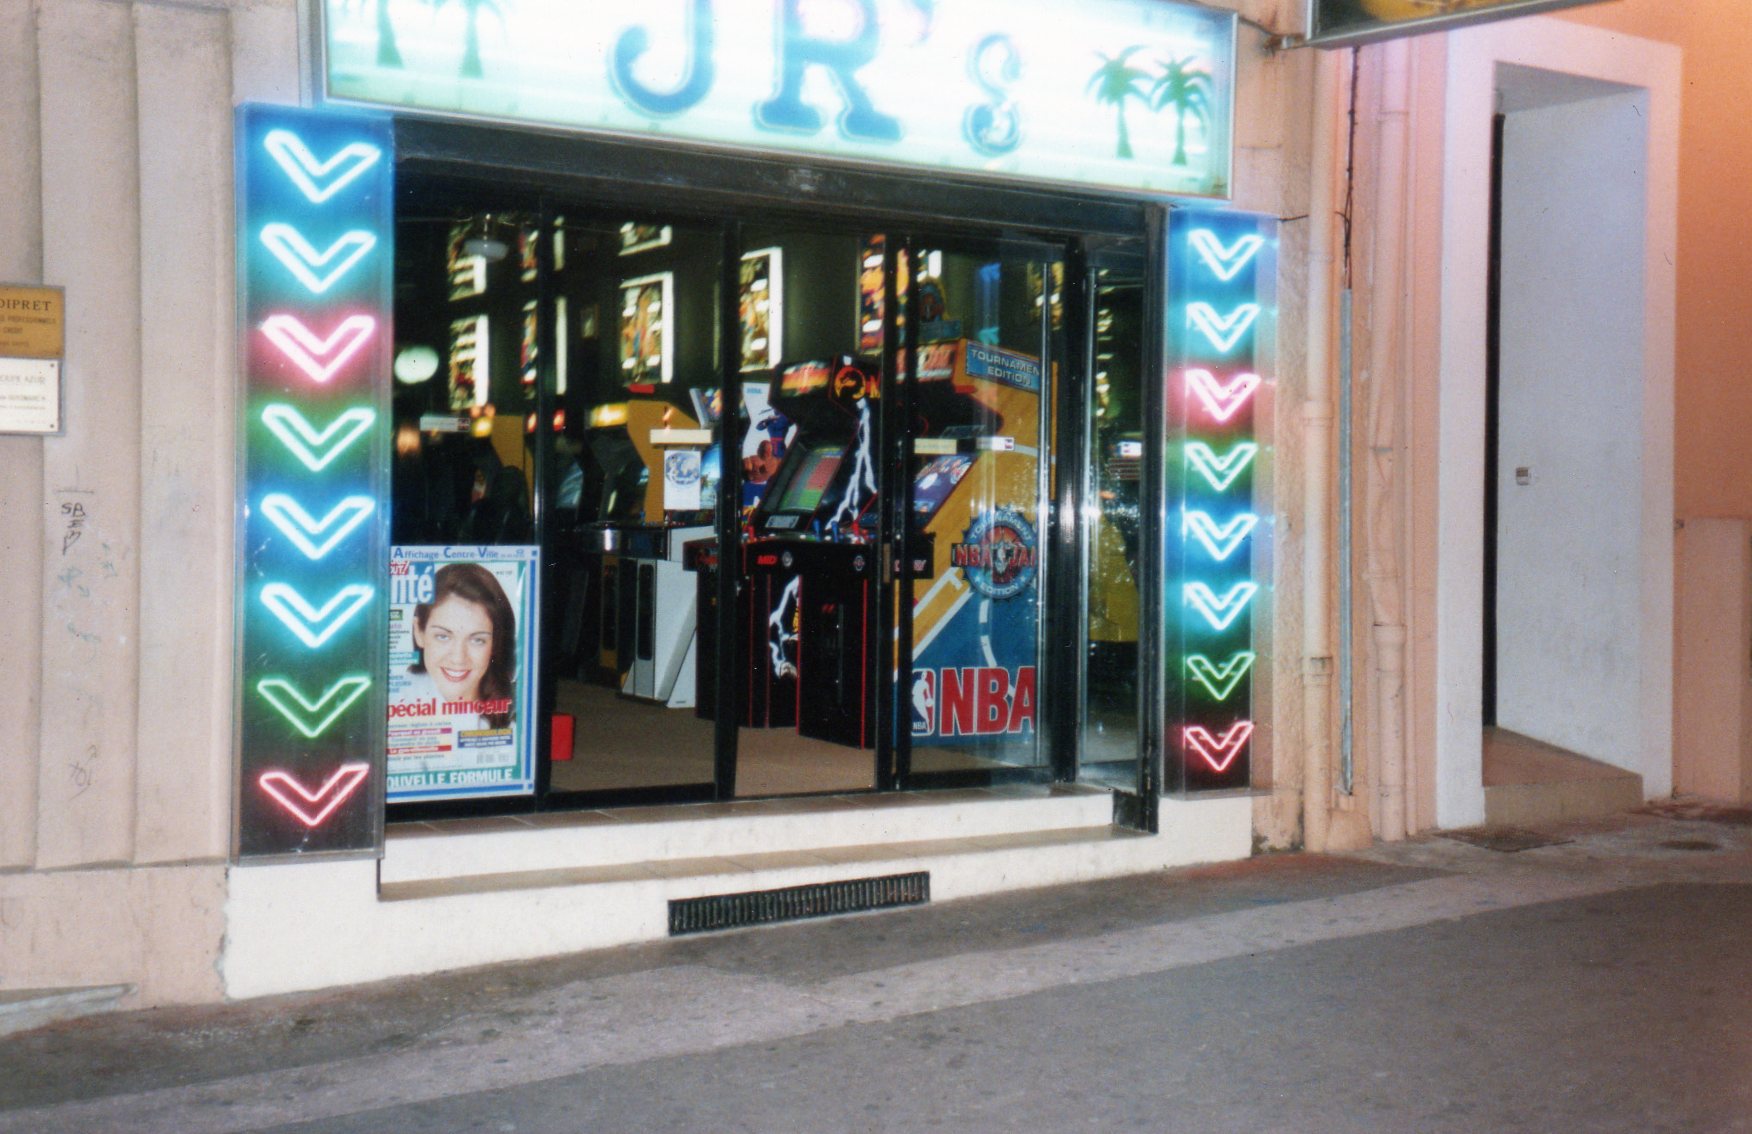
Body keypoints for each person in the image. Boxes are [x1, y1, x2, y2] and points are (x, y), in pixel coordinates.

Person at [409, 563, 516, 729]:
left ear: (495, 643)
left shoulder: (515, 725)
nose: (458, 658)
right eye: (443, 636)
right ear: (419, 632)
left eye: (477, 640)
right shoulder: (388, 704)